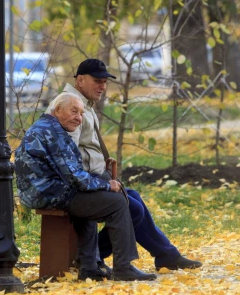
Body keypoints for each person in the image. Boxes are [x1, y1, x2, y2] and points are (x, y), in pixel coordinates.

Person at [62, 58, 202, 272]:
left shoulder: (83, 104)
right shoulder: (71, 106)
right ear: (80, 80)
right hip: (81, 182)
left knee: (133, 197)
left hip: (95, 176)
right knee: (132, 208)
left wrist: (105, 169)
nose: (103, 86)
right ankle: (89, 256)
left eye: (105, 82)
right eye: (97, 81)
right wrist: (99, 180)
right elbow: (68, 154)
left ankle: (166, 254)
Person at [15, 93, 156, 282]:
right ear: (57, 110)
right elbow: (74, 176)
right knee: (117, 202)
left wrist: (96, 186)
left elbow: (73, 175)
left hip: (42, 191)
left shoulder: (46, 127)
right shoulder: (54, 133)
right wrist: (106, 184)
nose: (79, 118)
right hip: (49, 194)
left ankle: (89, 266)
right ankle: (123, 266)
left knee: (91, 195)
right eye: (74, 112)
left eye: (81, 114)